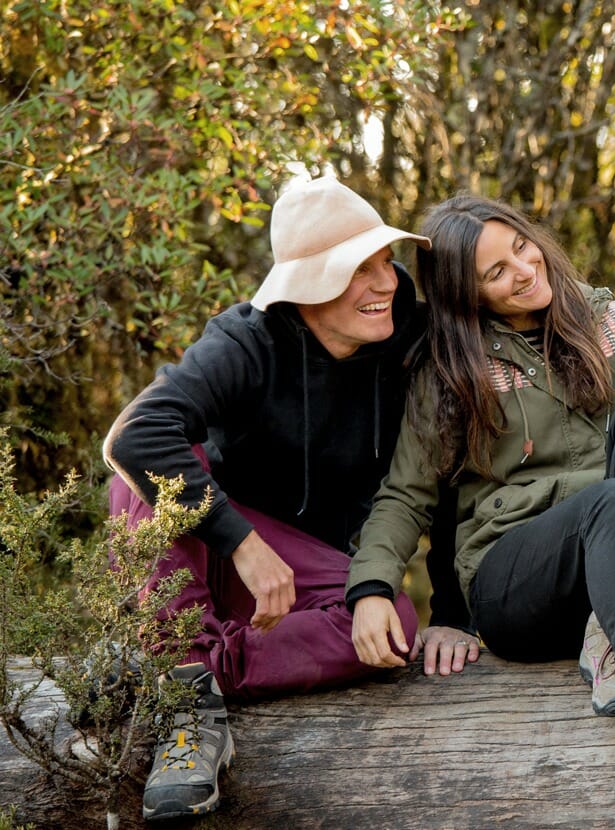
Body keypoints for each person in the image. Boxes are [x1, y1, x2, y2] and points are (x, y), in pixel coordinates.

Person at [343, 195, 615, 789]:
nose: (524, 270)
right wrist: (371, 589)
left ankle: (612, 639)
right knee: (612, 497)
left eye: (522, 248)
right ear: (466, 295)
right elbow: (404, 496)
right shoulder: (451, 369)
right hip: (520, 585)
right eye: (497, 272)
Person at [102, 176, 444, 820]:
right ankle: (183, 707)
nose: (386, 283)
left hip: (302, 575)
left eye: (384, 263)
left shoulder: (410, 336)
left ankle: (191, 673)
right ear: (308, 285)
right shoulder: (246, 342)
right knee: (143, 470)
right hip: (206, 561)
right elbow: (136, 435)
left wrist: (454, 608)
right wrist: (242, 543)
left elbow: (455, 460)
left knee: (392, 622)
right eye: (357, 271)